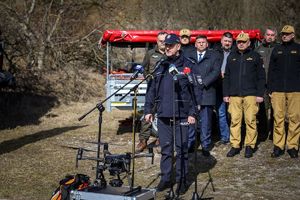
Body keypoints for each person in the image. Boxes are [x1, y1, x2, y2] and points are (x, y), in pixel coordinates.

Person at [144, 33, 198, 195]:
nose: (167, 48)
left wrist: (193, 112)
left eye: (170, 45)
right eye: (165, 45)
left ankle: (182, 181)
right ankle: (166, 178)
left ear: (178, 46)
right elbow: (151, 90)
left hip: (182, 114)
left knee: (181, 149)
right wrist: (148, 110)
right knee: (166, 149)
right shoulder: (160, 65)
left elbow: (196, 90)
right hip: (164, 114)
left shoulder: (188, 65)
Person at [223, 32, 266, 158]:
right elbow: (227, 76)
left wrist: (259, 94)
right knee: (235, 121)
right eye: (239, 42)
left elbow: (261, 77)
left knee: (250, 121)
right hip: (234, 95)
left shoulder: (256, 56)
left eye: (243, 42)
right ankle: (235, 145)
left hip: (251, 94)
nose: (241, 44)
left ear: (248, 43)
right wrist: (226, 93)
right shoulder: (231, 56)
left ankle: (249, 145)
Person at [268, 25, 300, 158]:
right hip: (278, 90)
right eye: (283, 34)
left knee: (295, 118)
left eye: (287, 34)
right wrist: (270, 88)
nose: (284, 35)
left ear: (293, 35)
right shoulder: (277, 49)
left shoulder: (298, 49)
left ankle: (292, 146)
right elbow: (271, 71)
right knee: (278, 118)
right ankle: (278, 146)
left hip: (295, 90)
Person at [188, 35, 221, 156]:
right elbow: (186, 70)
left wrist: (204, 82)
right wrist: (192, 81)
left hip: (207, 92)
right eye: (198, 42)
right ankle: (190, 144)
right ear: (195, 44)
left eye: (203, 42)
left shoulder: (214, 56)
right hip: (191, 93)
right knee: (191, 120)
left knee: (206, 121)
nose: (201, 44)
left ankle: (206, 145)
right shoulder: (189, 56)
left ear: (207, 44)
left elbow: (216, 72)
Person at [136, 32, 168, 153]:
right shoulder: (150, 53)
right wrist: (149, 79)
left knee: (163, 115)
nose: (163, 43)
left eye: (164, 41)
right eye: (160, 41)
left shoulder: (170, 53)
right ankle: (143, 140)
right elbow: (144, 68)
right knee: (148, 114)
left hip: (165, 90)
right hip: (152, 89)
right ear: (156, 41)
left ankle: (161, 138)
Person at [255, 27, 278, 141]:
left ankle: (275, 133)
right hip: (262, 85)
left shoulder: (279, 49)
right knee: (262, 110)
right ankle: (263, 132)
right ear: (264, 36)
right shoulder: (258, 49)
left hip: (275, 85)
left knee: (276, 110)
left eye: (272, 35)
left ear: (275, 37)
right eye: (268, 34)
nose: (269, 37)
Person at [214, 32, 233, 145]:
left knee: (233, 113)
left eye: (229, 41)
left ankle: (236, 136)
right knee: (221, 112)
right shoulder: (215, 52)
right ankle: (225, 137)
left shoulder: (235, 52)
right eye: (225, 41)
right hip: (219, 85)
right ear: (221, 41)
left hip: (232, 86)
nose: (227, 43)